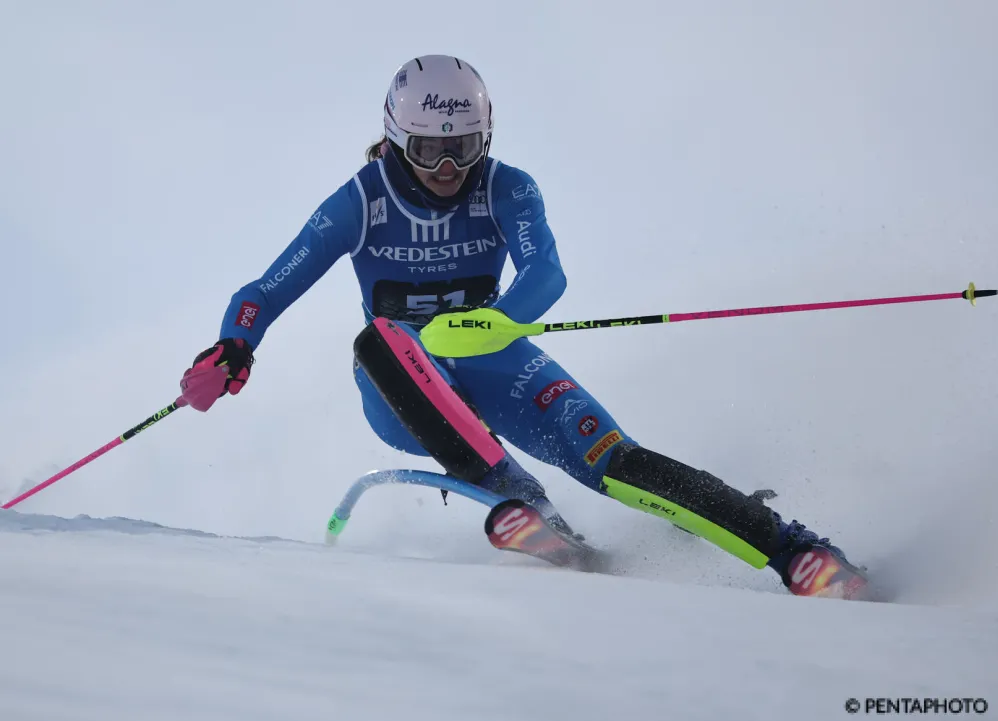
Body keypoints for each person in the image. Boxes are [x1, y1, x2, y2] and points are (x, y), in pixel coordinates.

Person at [179, 54, 866, 599]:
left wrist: (496, 321)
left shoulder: (508, 186)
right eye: (426, 151)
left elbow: (546, 275)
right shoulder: (361, 201)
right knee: (381, 337)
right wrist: (234, 345)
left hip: (493, 358)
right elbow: (264, 289)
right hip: (400, 386)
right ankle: (516, 494)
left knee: (613, 459)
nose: (448, 170)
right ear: (393, 139)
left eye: (464, 148)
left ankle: (795, 549)